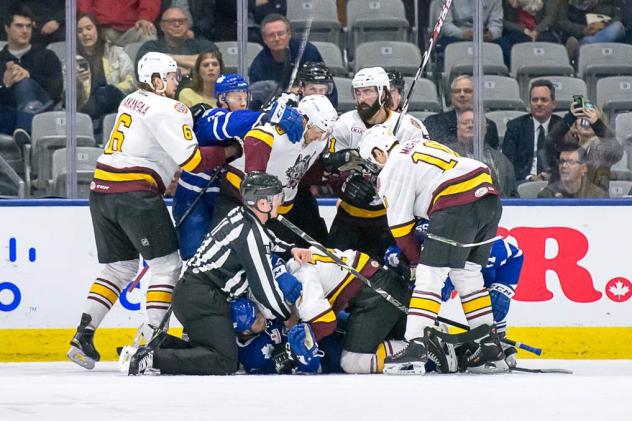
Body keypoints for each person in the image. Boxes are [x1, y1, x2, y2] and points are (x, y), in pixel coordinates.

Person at [67, 52, 241, 370]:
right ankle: (152, 339)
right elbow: (193, 163)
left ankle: (83, 335)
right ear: (157, 81)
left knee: (118, 269)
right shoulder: (170, 109)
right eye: (172, 76)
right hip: (134, 194)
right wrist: (233, 149)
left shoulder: (131, 100)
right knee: (167, 265)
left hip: (101, 190)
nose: (177, 82)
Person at [122, 172, 312, 375]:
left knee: (210, 352)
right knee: (224, 361)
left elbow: (268, 239)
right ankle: (150, 358)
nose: (280, 201)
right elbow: (264, 290)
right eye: (276, 197)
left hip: (194, 294)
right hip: (204, 299)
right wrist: (289, 317)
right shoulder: (250, 235)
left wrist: (290, 248)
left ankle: (156, 341)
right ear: (263, 204)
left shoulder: (241, 215)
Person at [358, 124, 508, 374]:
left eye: (372, 163)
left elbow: (401, 230)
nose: (375, 170)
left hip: (456, 202)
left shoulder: (392, 169)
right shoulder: (418, 144)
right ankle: (489, 347)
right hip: (489, 199)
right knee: (468, 274)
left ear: (378, 153)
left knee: (429, 277)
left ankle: (416, 346)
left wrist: (416, 262)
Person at [173, 74, 303, 260]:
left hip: (226, 198)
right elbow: (230, 123)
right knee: (195, 258)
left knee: (230, 258)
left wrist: (282, 106)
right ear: (222, 99)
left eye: (245, 97)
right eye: (237, 97)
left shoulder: (249, 122)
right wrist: (268, 115)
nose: (243, 103)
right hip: (195, 199)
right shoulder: (211, 116)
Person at [385, 222, 524, 368]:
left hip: (464, 259)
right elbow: (391, 252)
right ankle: (418, 339)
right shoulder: (420, 243)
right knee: (424, 292)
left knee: (496, 304)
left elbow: (515, 256)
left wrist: (503, 290)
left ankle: (496, 340)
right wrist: (398, 261)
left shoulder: (487, 252)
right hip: (437, 253)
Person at [326, 66, 429, 260]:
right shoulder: (344, 124)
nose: (362, 99)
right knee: (333, 273)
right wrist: (345, 185)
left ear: (383, 92)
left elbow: (422, 175)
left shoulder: (409, 128)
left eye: (368, 91)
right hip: (348, 219)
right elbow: (330, 168)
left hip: (391, 220)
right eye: (358, 92)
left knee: (389, 278)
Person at [211, 95, 338, 235]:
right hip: (238, 199)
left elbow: (301, 173)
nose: (320, 137)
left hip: (279, 208)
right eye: (319, 130)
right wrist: (257, 180)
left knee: (279, 253)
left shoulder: (319, 142)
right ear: (305, 120)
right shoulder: (282, 133)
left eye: (325, 133)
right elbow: (255, 138)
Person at [0, 4, 61, 137]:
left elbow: (56, 92)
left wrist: (29, 76)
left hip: (42, 114)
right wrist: (5, 85)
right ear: (7, 28)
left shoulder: (47, 55)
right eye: (19, 26)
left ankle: (25, 135)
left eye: (28, 26)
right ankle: (22, 134)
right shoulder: (1, 60)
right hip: (8, 118)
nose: (25, 30)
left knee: (24, 83)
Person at [76, 13, 136, 134]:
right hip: (86, 109)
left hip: (114, 102)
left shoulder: (116, 53)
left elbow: (132, 82)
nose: (85, 34)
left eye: (89, 28)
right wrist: (76, 82)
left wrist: (112, 90)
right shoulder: (71, 61)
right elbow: (65, 96)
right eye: (80, 31)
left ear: (97, 30)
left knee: (108, 94)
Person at [547, 99, 622, 191]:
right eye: (581, 116)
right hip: (562, 197)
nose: (586, 120)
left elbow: (616, 152)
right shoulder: (566, 142)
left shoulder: (602, 146)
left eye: (589, 115)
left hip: (595, 198)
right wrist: (569, 118)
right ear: (575, 122)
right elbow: (549, 142)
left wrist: (596, 124)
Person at [502, 79, 563, 183]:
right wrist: (530, 177)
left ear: (553, 104)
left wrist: (553, 175)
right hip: (523, 181)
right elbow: (508, 163)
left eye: (544, 100)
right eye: (535, 100)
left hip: (556, 181)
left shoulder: (562, 127)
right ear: (529, 104)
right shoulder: (515, 127)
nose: (539, 104)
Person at [452, 109, 518, 197]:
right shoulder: (448, 155)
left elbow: (512, 195)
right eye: (465, 123)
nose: (471, 125)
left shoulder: (503, 160)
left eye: (475, 122)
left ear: (485, 129)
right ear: (458, 129)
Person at [135, 7, 218, 76]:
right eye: (171, 21)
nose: (177, 25)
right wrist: (192, 68)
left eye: (181, 21)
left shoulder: (204, 45)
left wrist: (168, 59)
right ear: (162, 26)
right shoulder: (150, 46)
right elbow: (144, 69)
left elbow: (213, 62)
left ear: (188, 25)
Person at [249, 14, 324, 89]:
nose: (277, 39)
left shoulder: (307, 51)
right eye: (271, 35)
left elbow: (323, 86)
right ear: (264, 39)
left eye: (281, 34)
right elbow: (258, 97)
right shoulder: (258, 66)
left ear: (289, 34)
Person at [423, 76, 500, 148]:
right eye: (457, 91)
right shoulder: (434, 122)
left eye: (467, 91)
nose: (462, 94)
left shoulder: (489, 126)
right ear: (451, 96)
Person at [558, 0, 626, 62]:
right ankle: (585, 45)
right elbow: (562, 22)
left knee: (617, 27)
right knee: (576, 40)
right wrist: (583, 30)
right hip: (583, 32)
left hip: (606, 29)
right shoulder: (567, 2)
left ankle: (583, 46)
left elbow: (619, 16)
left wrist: (604, 25)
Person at [497, 0, 560, 66]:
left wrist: (536, 31)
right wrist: (522, 29)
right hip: (515, 30)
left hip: (540, 30)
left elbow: (550, 17)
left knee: (549, 42)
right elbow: (500, 20)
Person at [538, 143, 608, 198]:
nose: (564, 166)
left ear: (583, 168)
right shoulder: (547, 195)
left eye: (570, 162)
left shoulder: (598, 196)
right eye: (561, 161)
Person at [77, 0, 160, 47]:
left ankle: (150, 75)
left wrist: (145, 17)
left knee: (148, 31)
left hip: (132, 28)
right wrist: (90, 22)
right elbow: (84, 4)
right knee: (87, 33)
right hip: (102, 29)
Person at [439, 0, 504, 47]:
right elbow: (445, 25)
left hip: (484, 37)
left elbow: (496, 24)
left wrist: (491, 34)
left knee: (504, 47)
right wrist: (462, 34)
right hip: (456, 36)